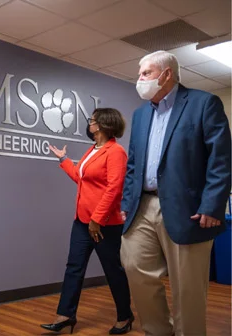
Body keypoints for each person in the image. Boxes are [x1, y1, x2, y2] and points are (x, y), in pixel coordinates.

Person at [120, 50, 231, 336]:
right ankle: (158, 331)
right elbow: (133, 164)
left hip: (188, 209)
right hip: (142, 207)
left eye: (146, 73)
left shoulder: (203, 103)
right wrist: (126, 201)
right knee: (134, 267)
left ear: (167, 74)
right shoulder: (140, 115)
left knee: (188, 286)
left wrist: (212, 205)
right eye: (139, 74)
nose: (140, 79)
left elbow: (221, 159)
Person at [41, 108, 134, 335]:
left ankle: (125, 316)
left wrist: (97, 220)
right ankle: (65, 316)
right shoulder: (93, 149)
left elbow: (114, 189)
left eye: (91, 121)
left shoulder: (116, 152)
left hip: (104, 225)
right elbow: (81, 179)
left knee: (113, 270)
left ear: (101, 125)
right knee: (74, 268)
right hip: (82, 222)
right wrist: (63, 160)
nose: (89, 124)